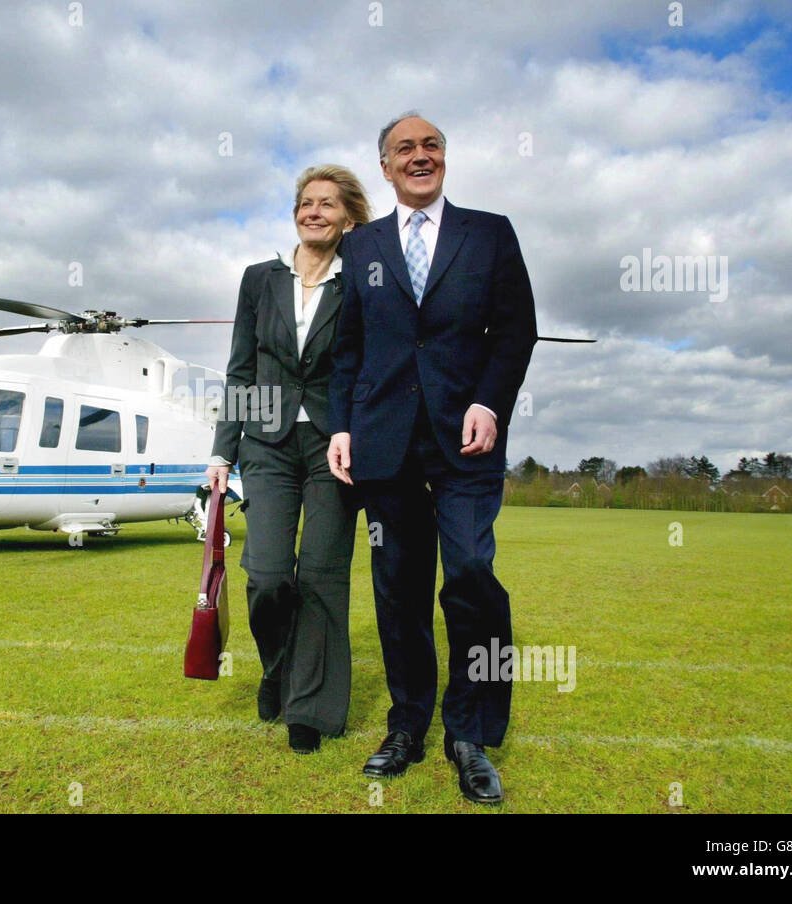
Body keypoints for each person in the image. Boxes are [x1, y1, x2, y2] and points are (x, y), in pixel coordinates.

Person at [327, 112, 537, 802]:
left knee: (472, 572)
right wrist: (341, 427)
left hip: (466, 439)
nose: (421, 157)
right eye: (405, 150)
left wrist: (489, 403)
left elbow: (516, 332)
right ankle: (408, 724)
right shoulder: (361, 248)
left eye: (432, 147)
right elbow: (348, 350)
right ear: (384, 168)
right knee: (399, 591)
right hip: (384, 445)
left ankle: (470, 732)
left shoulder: (491, 233)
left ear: (444, 157)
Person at [206, 164, 372, 753]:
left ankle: (312, 710)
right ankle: (277, 667)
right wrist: (223, 452)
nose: (314, 211)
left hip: (334, 445)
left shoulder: (359, 284)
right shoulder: (260, 279)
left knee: (323, 577)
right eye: (306, 202)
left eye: (328, 204)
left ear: (349, 218)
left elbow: (369, 367)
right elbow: (240, 369)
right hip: (267, 445)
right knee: (270, 575)